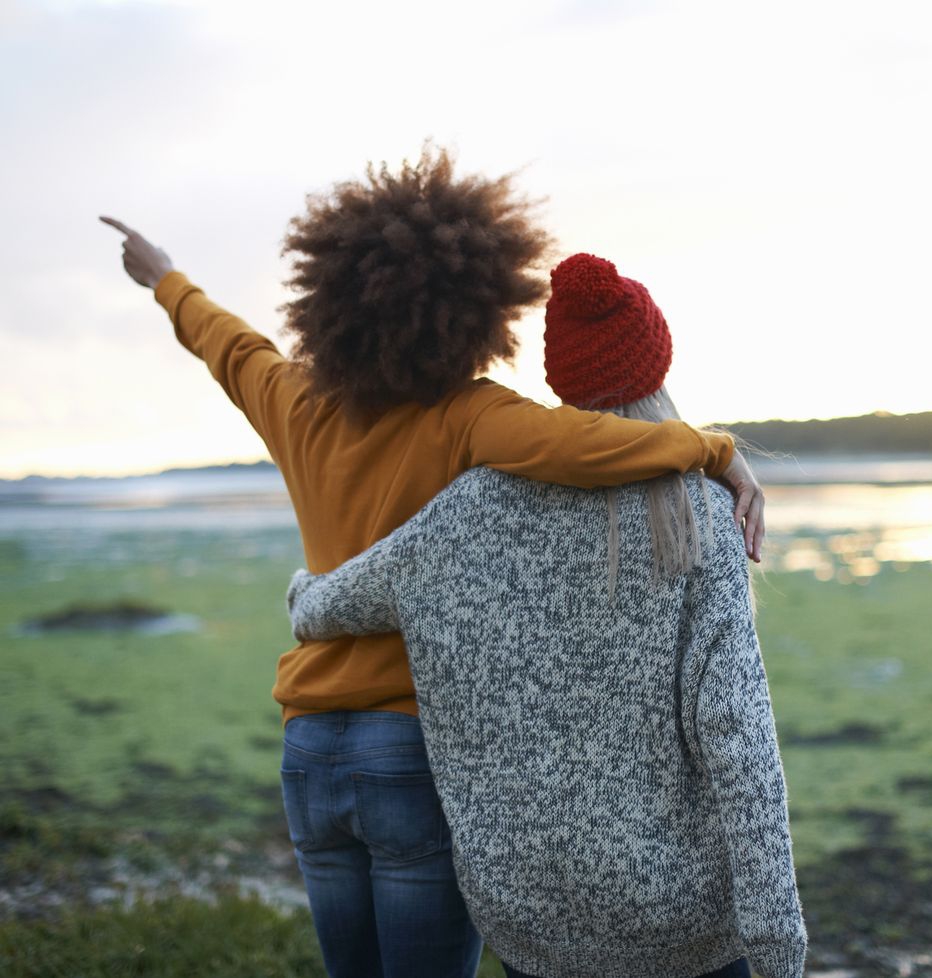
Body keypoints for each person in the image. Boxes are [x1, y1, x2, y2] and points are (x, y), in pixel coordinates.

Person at [100, 148, 763, 978]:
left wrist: (164, 277)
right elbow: (584, 441)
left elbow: (228, 345)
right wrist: (714, 449)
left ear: (332, 303)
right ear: (473, 309)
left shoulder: (295, 401)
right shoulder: (468, 415)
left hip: (307, 746)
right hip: (407, 749)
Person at [287, 253, 805, 978]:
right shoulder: (703, 519)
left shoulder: (466, 514)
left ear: (559, 381)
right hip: (683, 925)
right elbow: (738, 735)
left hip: (532, 925)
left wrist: (300, 590)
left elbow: (323, 607)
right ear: (658, 367)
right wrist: (780, 947)